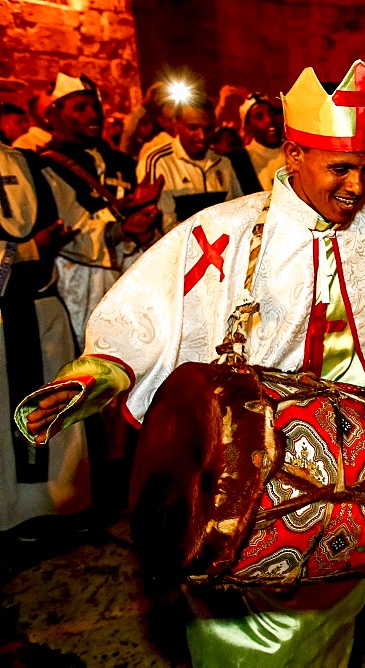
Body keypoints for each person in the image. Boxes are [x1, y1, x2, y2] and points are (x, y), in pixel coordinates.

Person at [16, 60, 365, 667]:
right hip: (241, 475)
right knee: (246, 638)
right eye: (341, 168)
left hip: (348, 471)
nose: (360, 185)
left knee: (334, 619)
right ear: (294, 151)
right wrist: (106, 370)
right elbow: (151, 307)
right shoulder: (227, 230)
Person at [0, 117, 89, 537]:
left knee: (53, 406)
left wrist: (125, 229)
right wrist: (29, 249)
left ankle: (58, 505)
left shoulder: (29, 164)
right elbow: (37, 242)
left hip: (42, 309)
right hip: (3, 318)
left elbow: (76, 224)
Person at [38, 73, 159, 348]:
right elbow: (64, 227)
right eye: (80, 108)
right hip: (79, 279)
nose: (92, 113)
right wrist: (118, 228)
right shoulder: (46, 166)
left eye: (95, 106)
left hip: (127, 273)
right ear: (54, 116)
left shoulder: (120, 161)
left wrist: (146, 214)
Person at [137, 96, 242, 234]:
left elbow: (238, 211)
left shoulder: (223, 162)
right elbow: (160, 229)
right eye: (193, 128)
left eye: (208, 129)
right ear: (176, 124)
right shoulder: (158, 162)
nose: (202, 137)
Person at [227, 93, 285, 194]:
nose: (269, 120)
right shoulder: (239, 160)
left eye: (271, 114)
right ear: (248, 127)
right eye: (259, 117)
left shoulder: (294, 152)